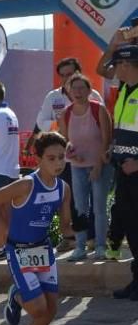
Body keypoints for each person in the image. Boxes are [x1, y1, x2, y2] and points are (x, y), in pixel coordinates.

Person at [0, 133, 73, 325]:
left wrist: (78, 228)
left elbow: (65, 227)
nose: (58, 163)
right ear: (39, 159)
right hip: (19, 251)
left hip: (43, 249)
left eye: (62, 158)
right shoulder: (26, 185)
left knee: (51, 309)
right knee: (38, 309)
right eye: (51, 158)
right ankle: (17, 294)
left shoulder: (63, 189)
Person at [58, 74, 114, 261]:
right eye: (74, 89)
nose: (78, 92)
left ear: (90, 91)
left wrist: (98, 165)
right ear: (69, 91)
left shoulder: (99, 110)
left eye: (82, 88)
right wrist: (70, 151)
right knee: (80, 208)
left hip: (99, 165)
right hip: (77, 166)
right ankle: (80, 246)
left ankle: (100, 246)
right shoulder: (66, 113)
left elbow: (107, 141)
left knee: (99, 207)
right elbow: (65, 140)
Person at [99, 42, 138, 299]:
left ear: (127, 64)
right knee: (131, 226)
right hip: (124, 171)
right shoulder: (125, 90)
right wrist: (112, 148)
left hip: (136, 171)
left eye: (118, 65)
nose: (115, 71)